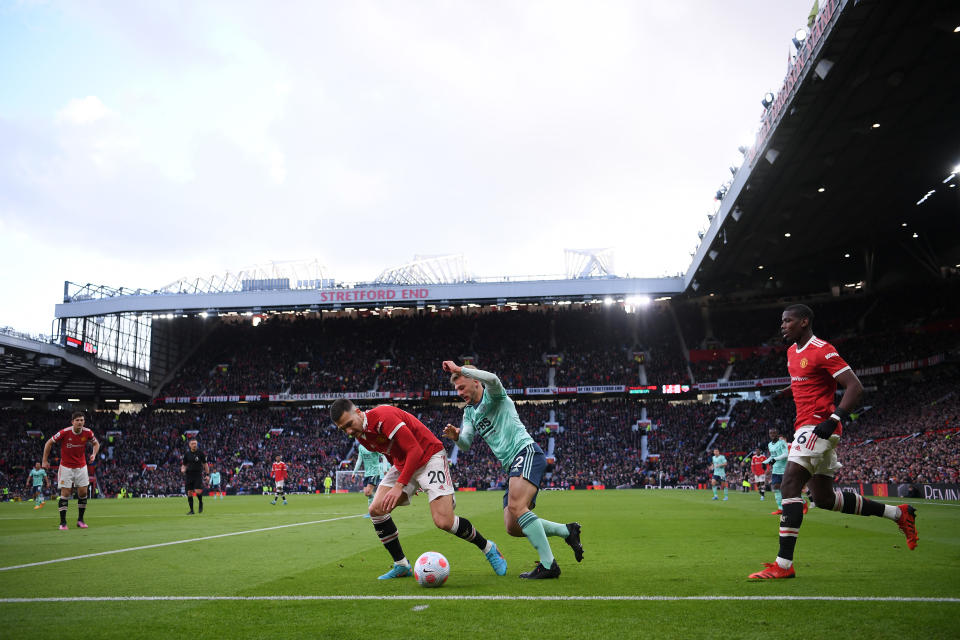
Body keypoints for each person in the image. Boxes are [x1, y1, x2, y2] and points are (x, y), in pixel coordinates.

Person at [749, 304, 918, 579]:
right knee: (824, 498)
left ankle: (783, 565)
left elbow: (855, 387)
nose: (783, 325)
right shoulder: (792, 352)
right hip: (806, 426)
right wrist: (786, 390)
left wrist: (834, 417)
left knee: (789, 484)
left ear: (804, 322)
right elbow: (807, 380)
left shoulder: (822, 349)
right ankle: (898, 514)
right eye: (782, 321)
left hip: (817, 426)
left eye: (788, 320)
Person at [330, 399, 508, 580]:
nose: (349, 431)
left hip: (430, 456)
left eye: (349, 424)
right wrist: (407, 480)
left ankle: (488, 548)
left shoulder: (384, 416)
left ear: (358, 412)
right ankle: (401, 565)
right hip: (403, 464)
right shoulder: (361, 435)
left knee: (443, 521)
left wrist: (400, 485)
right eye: (343, 429)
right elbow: (391, 453)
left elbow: (414, 449)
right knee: (376, 509)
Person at [442, 361, 584, 580]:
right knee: (513, 525)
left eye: (462, 387)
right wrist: (456, 438)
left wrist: (460, 370)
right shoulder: (469, 413)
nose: (459, 393)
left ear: (475, 381)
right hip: (511, 465)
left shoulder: (494, 394)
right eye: (456, 389)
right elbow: (466, 443)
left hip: (525, 452)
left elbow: (493, 378)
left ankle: (549, 565)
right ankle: (568, 531)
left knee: (517, 507)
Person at [42, 412, 100, 530]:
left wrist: (94, 454)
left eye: (82, 420)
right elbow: (49, 442)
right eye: (77, 420)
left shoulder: (87, 432)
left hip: (81, 466)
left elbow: (96, 443)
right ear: (72, 422)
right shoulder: (64, 432)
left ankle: (80, 520)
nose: (80, 422)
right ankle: (63, 523)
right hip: (66, 467)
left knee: (83, 493)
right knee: (66, 493)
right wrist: (44, 460)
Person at [355, 443, 386, 516]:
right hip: (367, 473)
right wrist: (354, 472)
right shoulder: (361, 447)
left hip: (375, 472)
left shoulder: (373, 444)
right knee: (366, 493)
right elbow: (359, 460)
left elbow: (384, 456)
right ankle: (377, 504)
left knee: (369, 492)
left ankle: (373, 511)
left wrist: (384, 469)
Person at [180, 439, 208, 515]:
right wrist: (183, 469)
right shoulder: (187, 454)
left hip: (198, 474)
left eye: (195, 443)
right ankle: (191, 510)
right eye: (192, 444)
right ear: (190, 445)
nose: (194, 445)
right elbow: (184, 464)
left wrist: (207, 475)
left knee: (198, 491)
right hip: (189, 475)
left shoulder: (200, 453)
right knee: (189, 493)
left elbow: (205, 464)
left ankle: (200, 503)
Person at [764, 430, 789, 513]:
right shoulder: (770, 444)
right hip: (775, 470)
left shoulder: (782, 443)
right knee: (776, 488)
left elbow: (786, 454)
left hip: (785, 469)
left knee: (788, 489)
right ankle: (780, 508)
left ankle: (802, 503)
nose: (772, 434)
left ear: (777, 434)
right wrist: (764, 462)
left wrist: (775, 459)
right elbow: (772, 456)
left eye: (774, 433)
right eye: (770, 433)